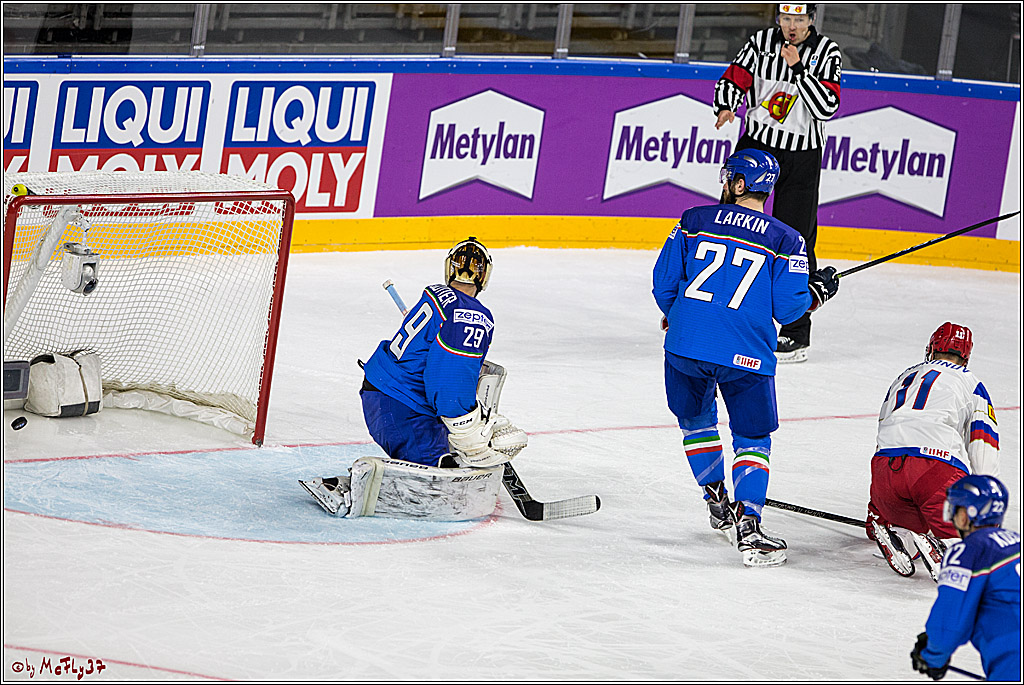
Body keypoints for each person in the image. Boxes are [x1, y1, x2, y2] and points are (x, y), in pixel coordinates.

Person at [652, 148, 840, 567]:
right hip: (745, 355)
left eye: (728, 178)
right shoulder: (787, 239)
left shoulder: (693, 220)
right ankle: (750, 528)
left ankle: (717, 501)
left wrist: (678, 316)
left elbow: (664, 283)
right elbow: (788, 309)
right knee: (752, 439)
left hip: (685, 345)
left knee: (696, 423)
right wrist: (816, 292)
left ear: (739, 184)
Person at [299, 237, 527, 519]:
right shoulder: (471, 315)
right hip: (403, 408)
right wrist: (466, 427)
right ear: (484, 276)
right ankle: (353, 488)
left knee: (451, 462)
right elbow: (448, 378)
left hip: (388, 397)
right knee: (443, 486)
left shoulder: (437, 297)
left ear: (450, 269)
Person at [713, 3, 842, 363]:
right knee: (727, 222)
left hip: (801, 154)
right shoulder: (760, 42)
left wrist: (798, 68)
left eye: (799, 19)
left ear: (811, 20)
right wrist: (727, 105)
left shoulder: (827, 51)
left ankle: (795, 331)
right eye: (786, 18)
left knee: (795, 238)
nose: (791, 26)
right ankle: (714, 305)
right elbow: (734, 77)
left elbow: (826, 106)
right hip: (756, 144)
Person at [866, 323, 1001, 580]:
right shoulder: (971, 383)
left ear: (931, 348)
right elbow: (984, 447)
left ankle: (899, 534)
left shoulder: (903, 377)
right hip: (935, 471)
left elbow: (883, 434)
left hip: (885, 474)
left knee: (911, 519)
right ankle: (949, 549)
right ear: (966, 356)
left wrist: (877, 508)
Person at [910, 475, 1020, 682]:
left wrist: (932, 656)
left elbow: (949, 621)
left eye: (956, 510)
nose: (952, 517)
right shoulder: (1017, 543)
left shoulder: (969, 551)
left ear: (968, 514)